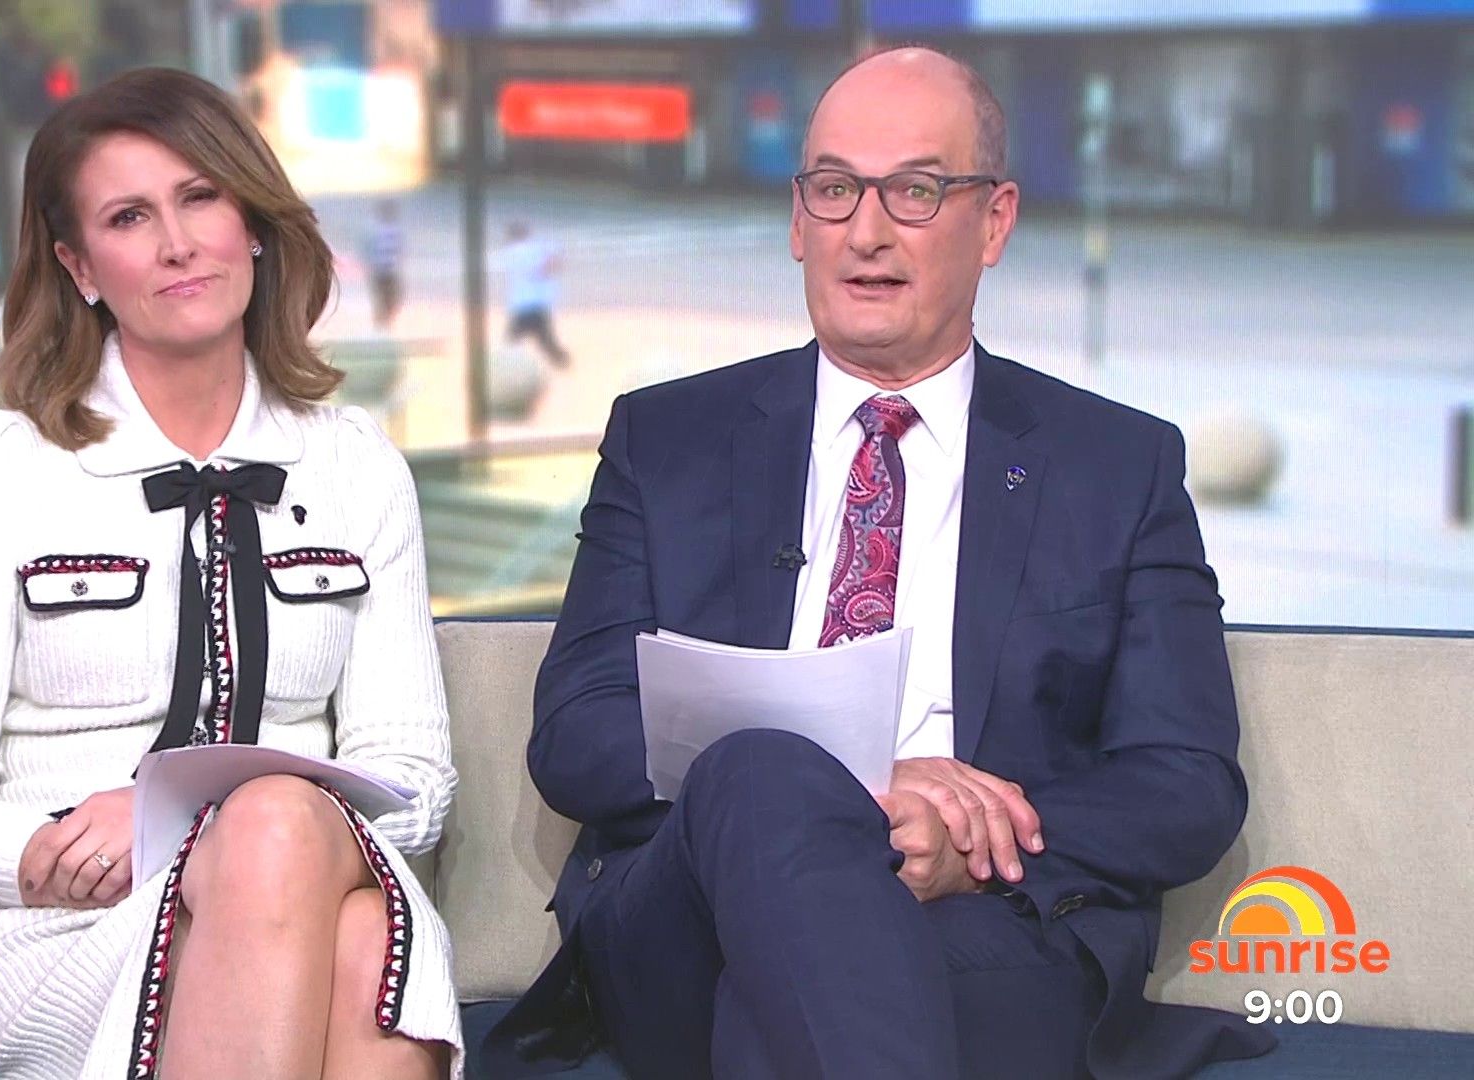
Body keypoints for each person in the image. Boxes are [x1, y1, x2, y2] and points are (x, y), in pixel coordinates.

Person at [483, 46, 1276, 1079]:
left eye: (915, 191)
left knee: (793, 1006)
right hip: (689, 914)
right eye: (834, 188)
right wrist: (853, 791)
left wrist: (968, 840)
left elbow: (1186, 782)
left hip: (982, 916)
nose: (865, 231)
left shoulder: (1117, 465)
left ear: (994, 221)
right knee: (764, 771)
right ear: (797, 220)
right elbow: (578, 736)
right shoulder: (666, 439)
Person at [0, 67, 462, 1080]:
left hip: (315, 891)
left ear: (253, 224)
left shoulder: (358, 467)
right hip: (58, 934)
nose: (178, 244)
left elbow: (419, 785)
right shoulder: (4, 467)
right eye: (130, 217)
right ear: (80, 266)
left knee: (311, 867)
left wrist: (188, 823)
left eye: (200, 198)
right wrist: (73, 851)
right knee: (342, 921)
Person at [499, 221, 570, 368]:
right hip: (538, 305)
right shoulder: (537, 249)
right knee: (545, 341)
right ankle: (563, 362)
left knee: (513, 342)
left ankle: (562, 361)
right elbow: (551, 265)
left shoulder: (512, 252)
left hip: (523, 306)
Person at [363, 198, 405, 332]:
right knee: (383, 301)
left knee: (389, 300)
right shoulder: (376, 231)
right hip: (381, 271)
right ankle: (381, 327)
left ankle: (384, 326)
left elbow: (399, 252)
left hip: (388, 272)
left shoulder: (394, 231)